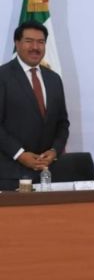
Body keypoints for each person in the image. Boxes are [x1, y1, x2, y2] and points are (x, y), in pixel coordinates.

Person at [0, 21, 70, 190]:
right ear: (17, 43)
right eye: (29, 41)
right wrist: (20, 154)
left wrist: (54, 151)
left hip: (48, 173)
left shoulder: (54, 79)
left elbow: (62, 123)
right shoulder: (3, 76)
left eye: (40, 42)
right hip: (11, 174)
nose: (35, 47)